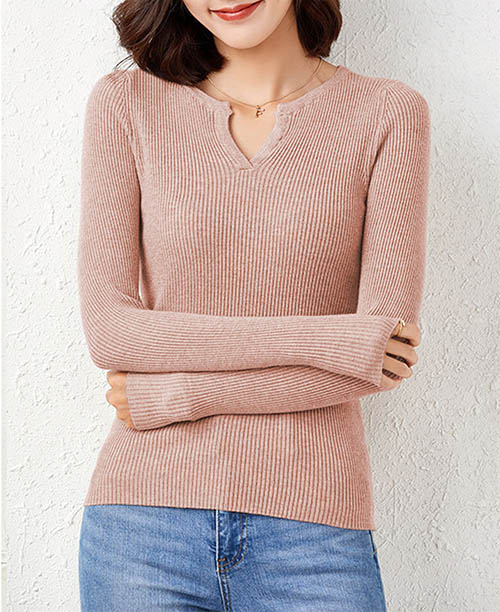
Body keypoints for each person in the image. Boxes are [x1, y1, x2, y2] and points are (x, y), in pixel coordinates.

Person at [77, 0, 431, 610]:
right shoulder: (126, 103)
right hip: (140, 526)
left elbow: (380, 360)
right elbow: (112, 331)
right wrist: (332, 340)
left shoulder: (388, 112)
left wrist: (179, 395)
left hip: (316, 533)